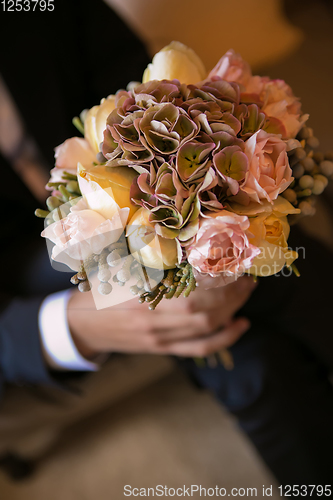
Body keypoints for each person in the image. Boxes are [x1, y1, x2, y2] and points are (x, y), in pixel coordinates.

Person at [0, 0, 333, 488]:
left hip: (131, 200)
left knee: (254, 359)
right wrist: (72, 326)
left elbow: (141, 88)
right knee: (267, 286)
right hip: (22, 266)